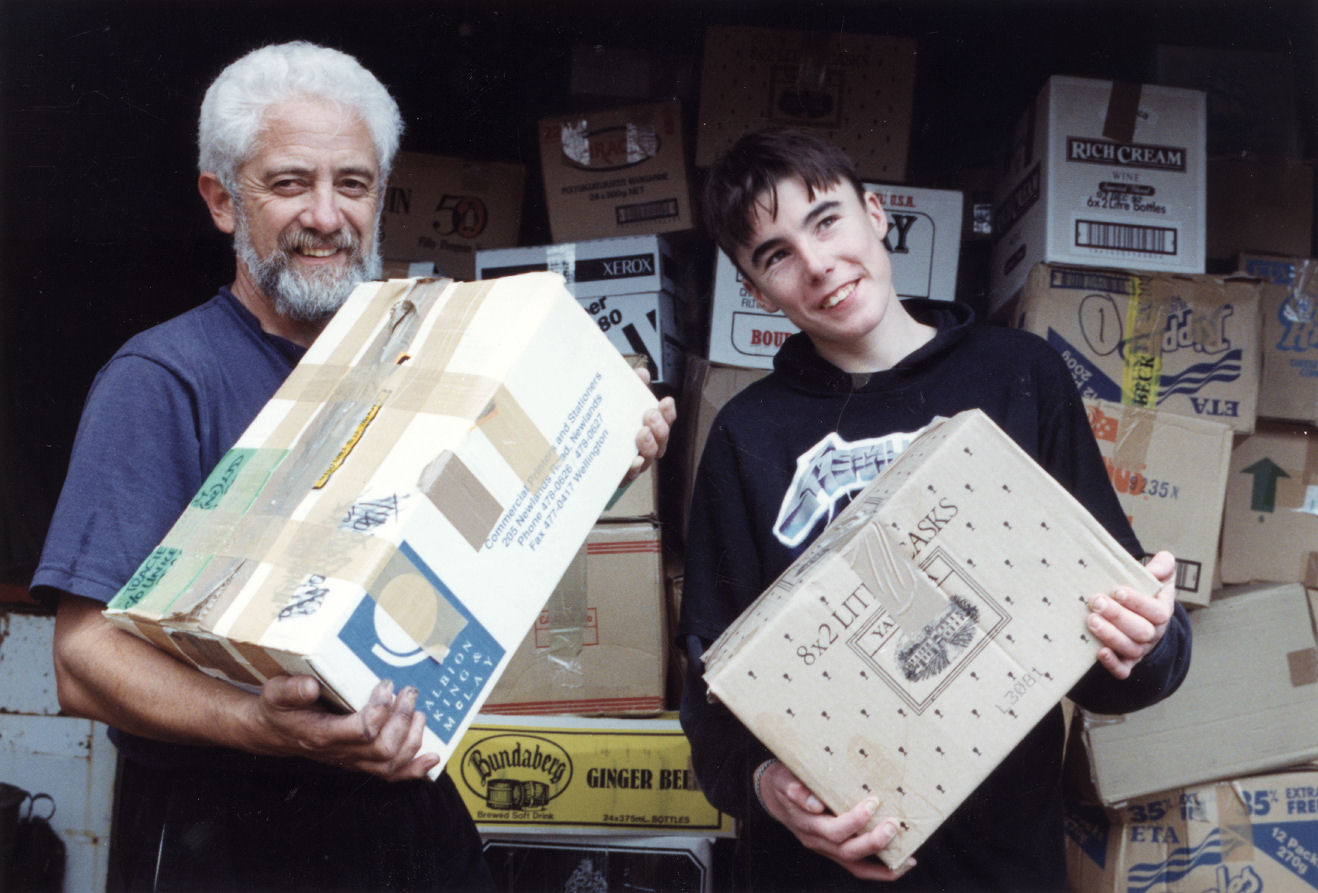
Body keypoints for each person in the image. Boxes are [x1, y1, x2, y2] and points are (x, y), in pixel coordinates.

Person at [31, 41, 676, 892]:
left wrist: (602, 447)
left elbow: (473, 551)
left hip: (404, 813)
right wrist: (259, 724)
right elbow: (81, 658)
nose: (327, 216)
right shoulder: (163, 379)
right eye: (290, 183)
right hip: (222, 832)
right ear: (222, 200)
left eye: (354, 184)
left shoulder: (416, 356)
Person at [678, 128, 1191, 892]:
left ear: (877, 213)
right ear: (756, 294)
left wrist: (1146, 640)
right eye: (776, 255)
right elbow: (711, 698)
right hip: (816, 874)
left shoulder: (1019, 376)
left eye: (826, 220)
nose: (817, 264)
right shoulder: (747, 436)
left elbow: (1114, 663)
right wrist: (767, 790)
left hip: (1001, 865)